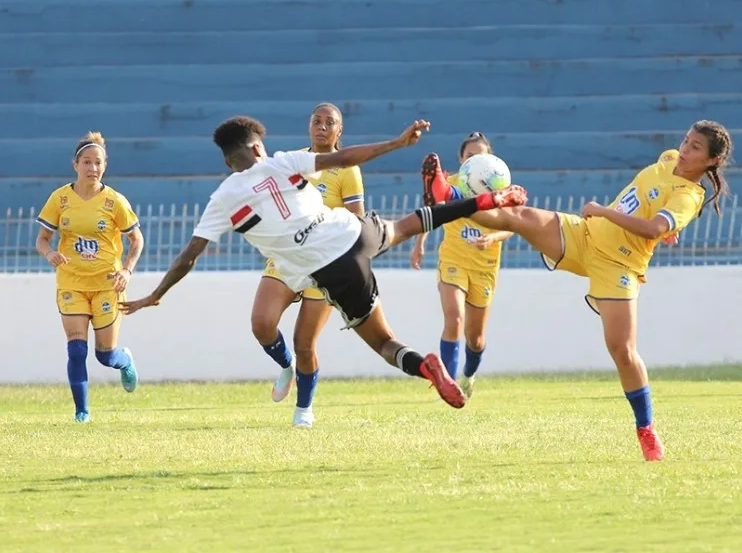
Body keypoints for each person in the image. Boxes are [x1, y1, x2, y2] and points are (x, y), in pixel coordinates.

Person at [121, 116, 527, 425]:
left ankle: (426, 368)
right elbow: (345, 157)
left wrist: (156, 295)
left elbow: (189, 255)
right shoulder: (283, 162)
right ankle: (485, 202)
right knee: (407, 224)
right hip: (352, 231)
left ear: (229, 161)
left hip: (331, 269)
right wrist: (397, 142)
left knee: (385, 344)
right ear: (258, 147)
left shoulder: (223, 198)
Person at [421, 120, 734, 461]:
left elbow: (653, 227)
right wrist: (659, 228)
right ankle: (448, 194)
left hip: (619, 265)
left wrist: (609, 213)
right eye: (686, 141)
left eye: (695, 148)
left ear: (712, 161)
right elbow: (653, 209)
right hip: (583, 235)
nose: (684, 150)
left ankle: (646, 430)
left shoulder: (688, 196)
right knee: (516, 215)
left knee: (622, 351)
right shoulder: (669, 158)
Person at [251, 103, 366, 426]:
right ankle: (286, 366)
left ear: (339, 131)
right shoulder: (293, 162)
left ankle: (304, 409)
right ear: (309, 126)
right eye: (318, 121)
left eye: (331, 122)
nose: (323, 126)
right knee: (262, 323)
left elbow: (357, 221)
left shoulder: (347, 170)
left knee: (305, 342)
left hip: (325, 263)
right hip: (288, 256)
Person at [35, 132, 144, 423]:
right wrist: (50, 255)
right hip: (71, 282)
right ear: (75, 164)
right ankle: (82, 412)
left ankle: (124, 361)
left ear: (104, 166)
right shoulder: (60, 199)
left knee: (104, 355)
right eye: (86, 162)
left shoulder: (115, 202)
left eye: (97, 163)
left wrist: (126, 270)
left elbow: (137, 240)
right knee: (76, 349)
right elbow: (43, 239)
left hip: (107, 284)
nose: (92, 168)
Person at [410, 132, 513, 398]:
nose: (476, 159)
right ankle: (449, 385)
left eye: (481, 154)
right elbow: (433, 210)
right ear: (461, 159)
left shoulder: (500, 185)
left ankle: (468, 375)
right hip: (454, 259)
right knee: (454, 319)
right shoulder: (452, 184)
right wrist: (420, 242)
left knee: (475, 339)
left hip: (485, 266)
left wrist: (492, 237)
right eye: (470, 155)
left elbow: (512, 227)